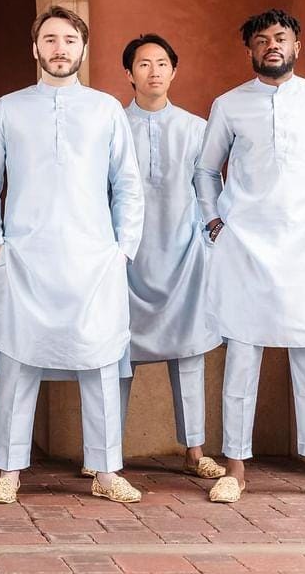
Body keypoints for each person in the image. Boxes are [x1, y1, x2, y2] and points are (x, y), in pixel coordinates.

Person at [195, 9, 305, 504]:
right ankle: (235, 468)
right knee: (242, 356)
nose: (272, 45)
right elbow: (206, 170)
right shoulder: (229, 105)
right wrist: (216, 224)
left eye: (281, 38)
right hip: (245, 245)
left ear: (298, 46)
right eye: (261, 40)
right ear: (249, 50)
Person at [0, 5, 145, 505]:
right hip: (26, 255)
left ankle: (108, 469)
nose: (60, 48)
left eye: (69, 39)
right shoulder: (8, 107)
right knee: (18, 362)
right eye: (50, 39)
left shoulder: (106, 108)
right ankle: (9, 467)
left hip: (95, 257)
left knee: (100, 362)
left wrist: (122, 251)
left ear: (82, 48)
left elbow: (127, 185)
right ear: (35, 48)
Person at [118, 33, 225, 481]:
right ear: (129, 73)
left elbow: (209, 192)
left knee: (189, 354)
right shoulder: (114, 124)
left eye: (162, 63)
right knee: (118, 354)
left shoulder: (196, 128)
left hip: (184, 255)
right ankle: (106, 453)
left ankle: (195, 450)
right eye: (144, 64)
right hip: (127, 258)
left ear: (174, 70)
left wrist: (209, 239)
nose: (154, 71)